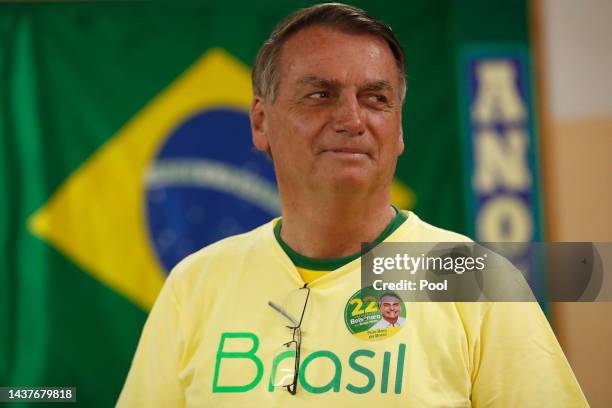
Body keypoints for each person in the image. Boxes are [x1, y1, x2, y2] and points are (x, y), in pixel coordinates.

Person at [118, 3, 589, 406]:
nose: (351, 118)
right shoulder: (196, 286)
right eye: (320, 95)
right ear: (261, 122)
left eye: (375, 98)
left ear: (399, 128)